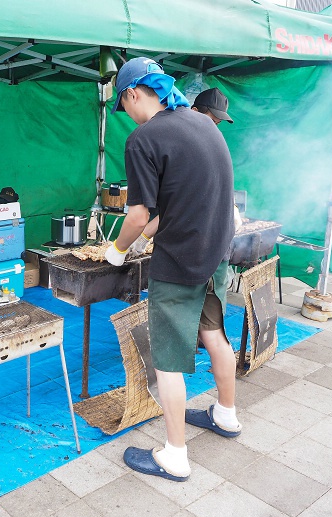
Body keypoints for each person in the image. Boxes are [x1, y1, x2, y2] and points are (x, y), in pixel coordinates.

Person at [104, 57, 239, 482]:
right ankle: (226, 415)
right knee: (214, 334)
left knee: (167, 360)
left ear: (131, 94)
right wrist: (146, 235)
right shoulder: (202, 124)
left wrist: (118, 250)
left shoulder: (143, 140)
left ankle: (175, 455)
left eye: (122, 105)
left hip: (180, 262)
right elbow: (182, 198)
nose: (125, 114)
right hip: (216, 254)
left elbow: (139, 215)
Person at [127, 86, 238, 256]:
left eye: (217, 124)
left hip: (198, 249)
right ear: (194, 111)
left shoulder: (208, 148)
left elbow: (185, 201)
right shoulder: (174, 142)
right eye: (212, 121)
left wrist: (143, 235)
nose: (213, 128)